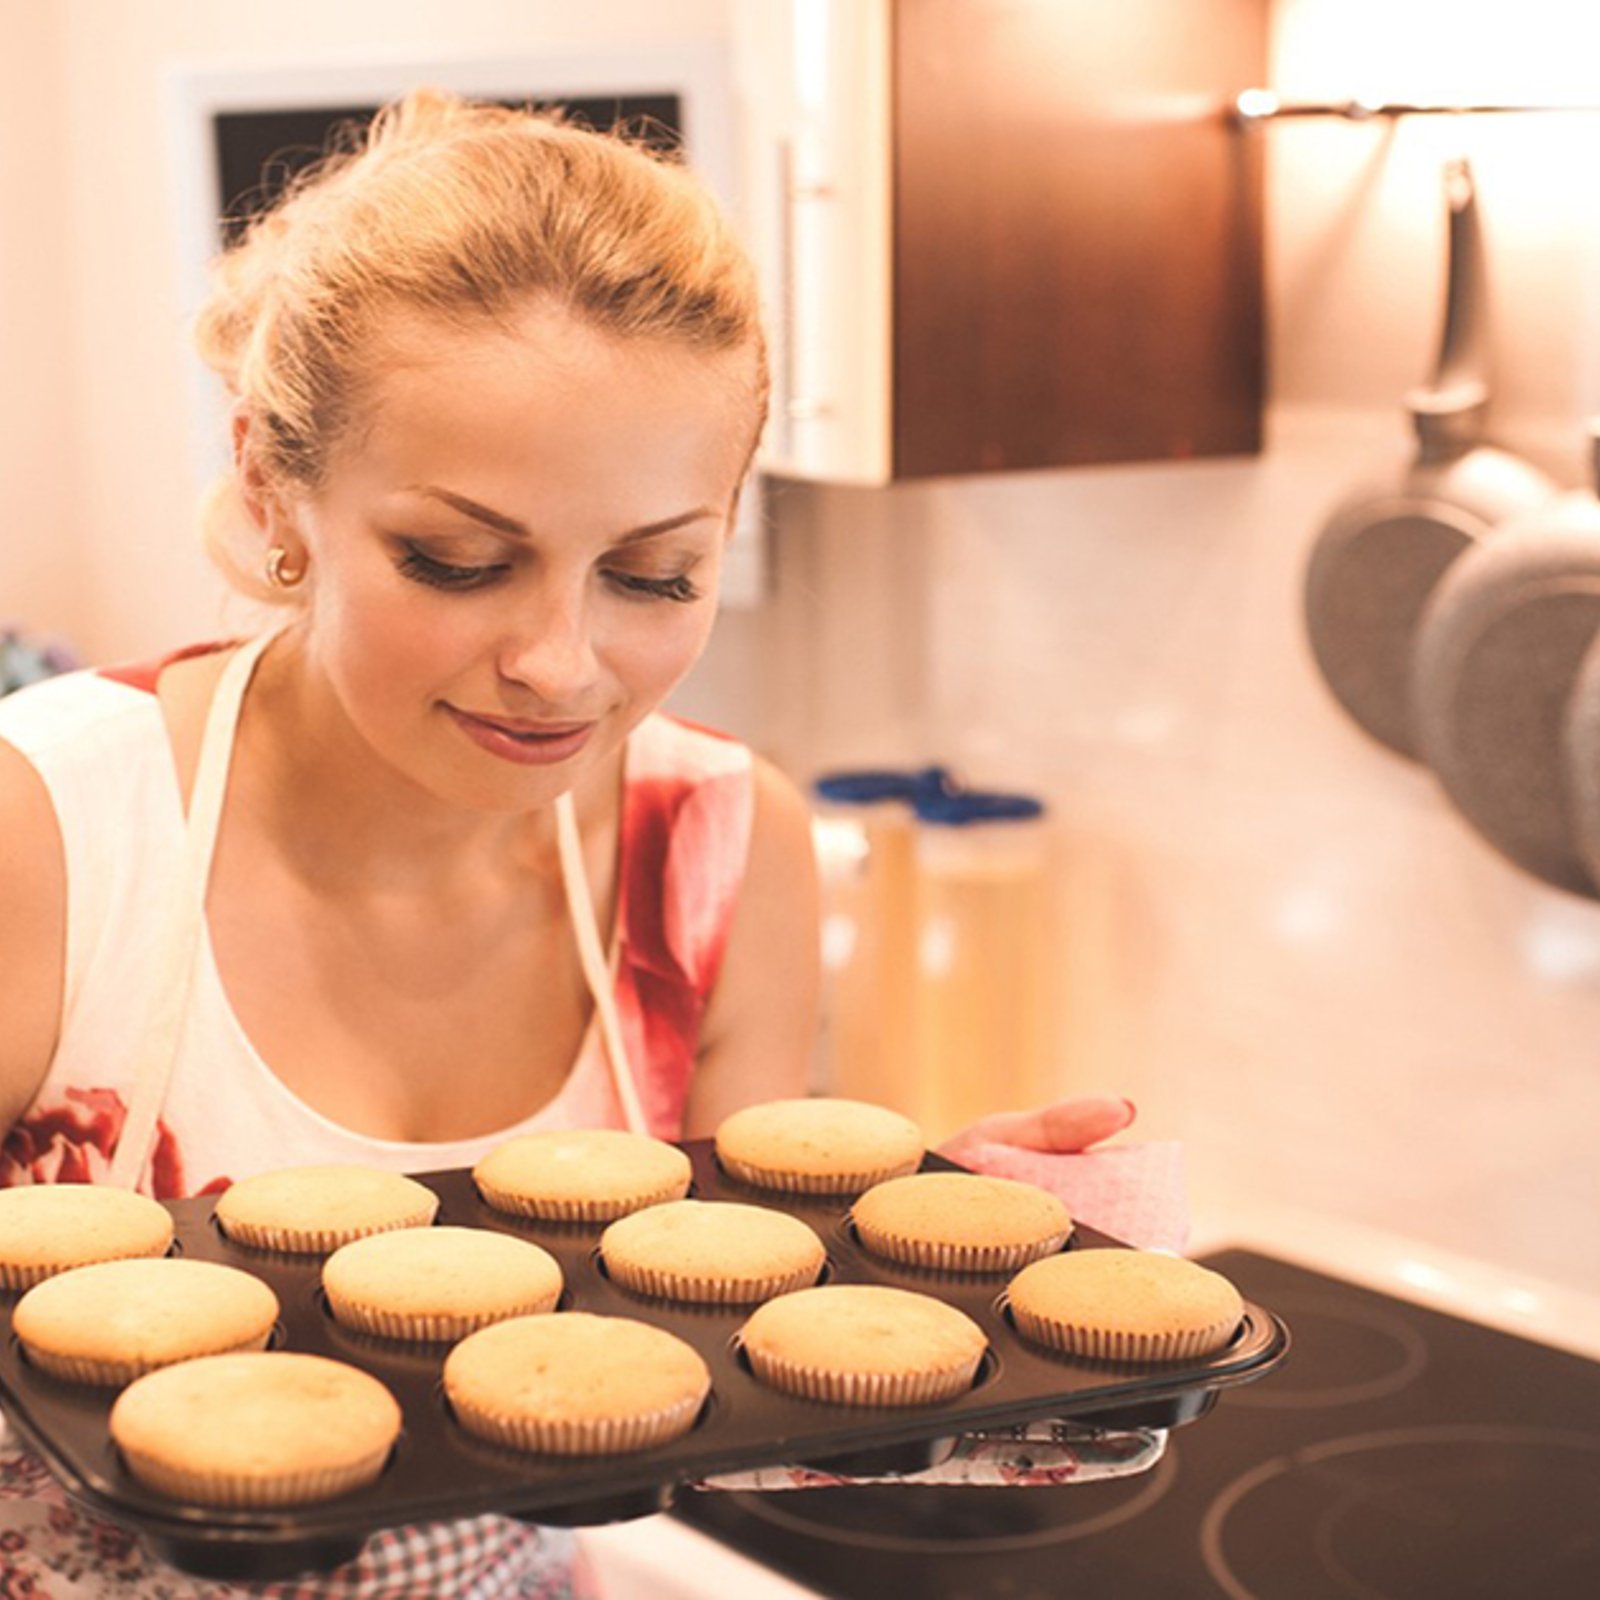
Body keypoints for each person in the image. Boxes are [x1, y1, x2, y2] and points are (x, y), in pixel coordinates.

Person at [0, 91, 1136, 1596]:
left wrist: (965, 1275)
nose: (560, 662)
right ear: (276, 482)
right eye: (460, 561)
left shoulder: (724, 846)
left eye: (655, 576)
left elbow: (719, 1385)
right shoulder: (53, 831)